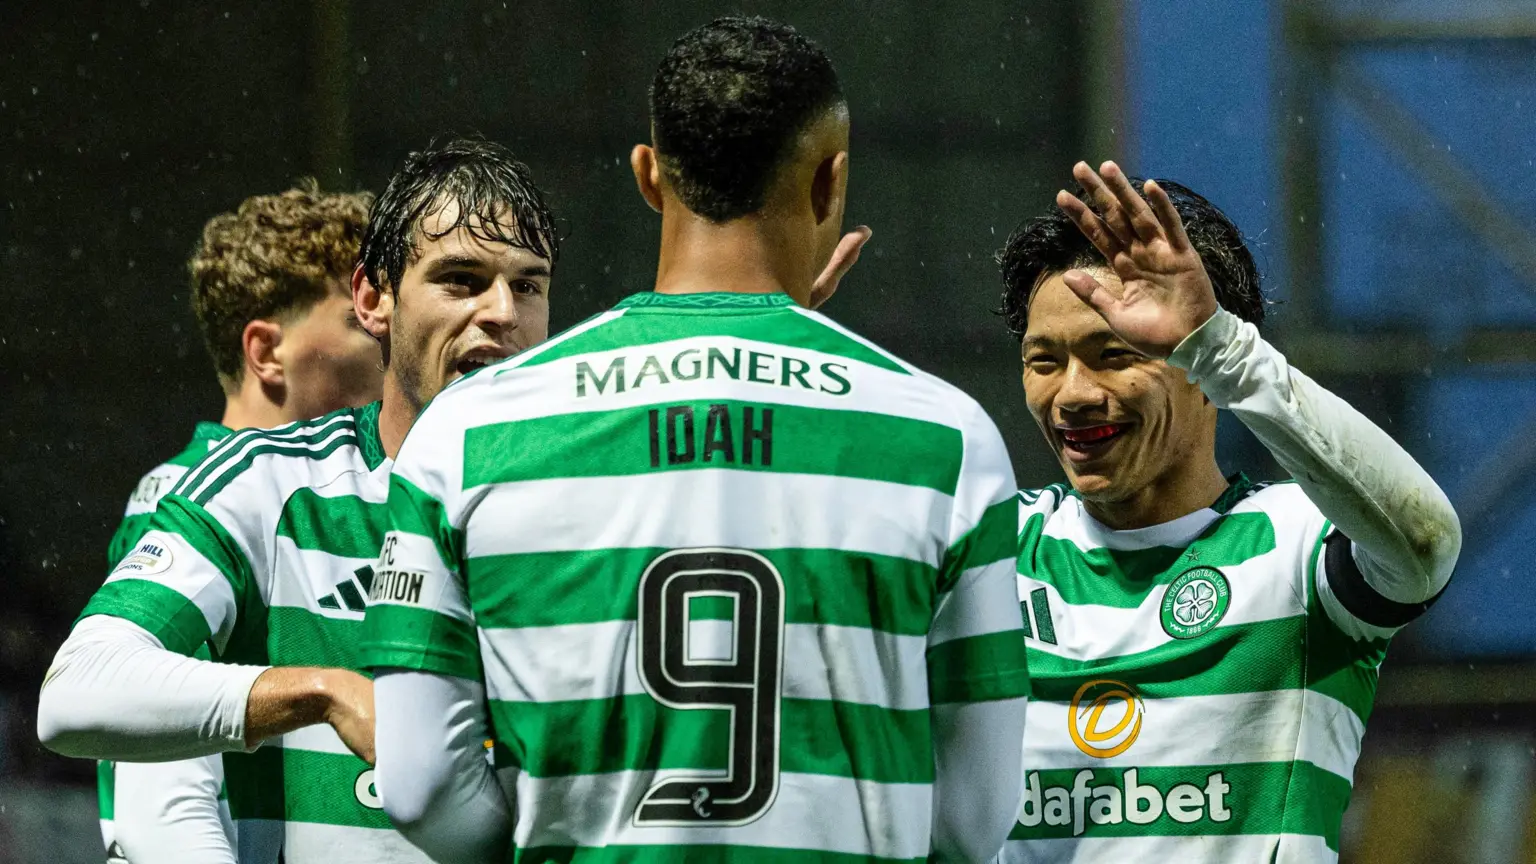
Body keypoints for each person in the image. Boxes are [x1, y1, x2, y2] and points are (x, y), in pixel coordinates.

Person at [359, 17, 1028, 864]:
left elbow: (418, 787)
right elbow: (974, 817)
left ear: (648, 177)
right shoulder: (943, 436)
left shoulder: (467, 431)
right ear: (832, 182)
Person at [39, 138, 560, 864]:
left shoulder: (593, 496)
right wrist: (324, 690)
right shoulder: (259, 484)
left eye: (529, 286)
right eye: (462, 279)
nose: (502, 312)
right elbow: (88, 708)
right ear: (373, 300)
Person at [993, 161, 1461, 862]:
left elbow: (1426, 541)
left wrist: (1222, 346)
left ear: (1201, 368)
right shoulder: (992, 544)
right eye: (1044, 361)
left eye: (1114, 354)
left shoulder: (1295, 548)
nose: (1073, 394)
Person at [100, 182, 382, 863]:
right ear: (265, 351)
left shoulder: (336, 502)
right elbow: (160, 804)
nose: (386, 330)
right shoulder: (179, 503)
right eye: (356, 317)